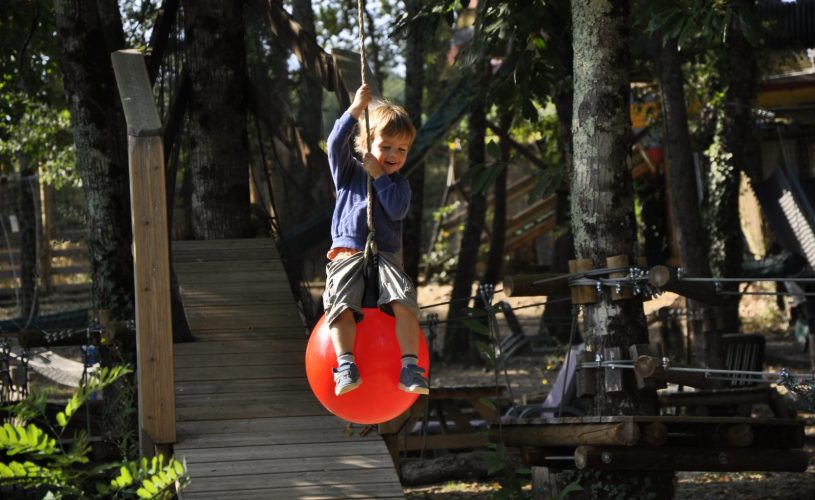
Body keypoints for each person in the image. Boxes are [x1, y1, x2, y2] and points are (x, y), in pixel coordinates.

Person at [322, 83, 429, 397]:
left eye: (402, 149)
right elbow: (333, 144)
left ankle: (410, 365)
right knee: (340, 303)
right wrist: (355, 109)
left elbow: (395, 211)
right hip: (348, 252)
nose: (394, 155)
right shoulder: (348, 173)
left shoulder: (399, 185)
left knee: (404, 300)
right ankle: (345, 364)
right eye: (387, 147)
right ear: (367, 144)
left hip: (386, 257)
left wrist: (381, 177)